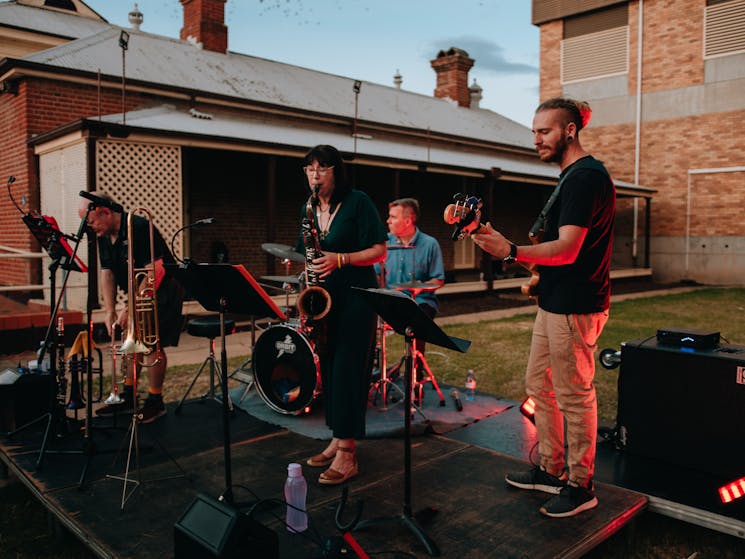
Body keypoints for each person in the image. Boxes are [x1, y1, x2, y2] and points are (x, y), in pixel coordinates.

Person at [471, 98, 615, 518]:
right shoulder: (570, 178)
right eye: (534, 131)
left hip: (576, 304)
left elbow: (569, 250)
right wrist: (497, 240)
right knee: (540, 386)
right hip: (554, 301)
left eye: (544, 131)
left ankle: (580, 484)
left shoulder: (585, 178)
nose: (536, 139)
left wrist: (512, 250)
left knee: (574, 395)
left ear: (569, 131)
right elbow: (549, 249)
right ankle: (551, 469)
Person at [297, 145, 387, 485]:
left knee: (349, 369)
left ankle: (348, 453)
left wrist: (341, 259)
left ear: (337, 171)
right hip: (324, 301)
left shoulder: (358, 202)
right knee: (331, 368)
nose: (315, 174)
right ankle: (337, 437)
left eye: (323, 167)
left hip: (356, 299)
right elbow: (307, 253)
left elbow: (380, 250)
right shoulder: (307, 208)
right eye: (309, 168)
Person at [78, 192, 184, 424]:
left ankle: (156, 402)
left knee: (150, 346)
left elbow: (155, 269)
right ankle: (128, 396)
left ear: (105, 212)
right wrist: (110, 310)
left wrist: (130, 307)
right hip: (136, 293)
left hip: (162, 289)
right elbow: (107, 273)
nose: (88, 227)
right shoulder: (104, 235)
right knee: (130, 341)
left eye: (91, 221)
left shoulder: (137, 225)